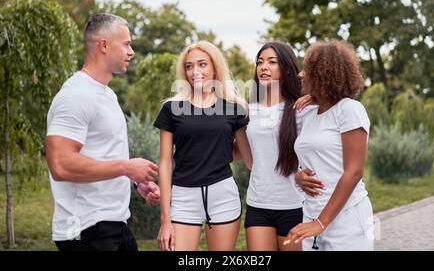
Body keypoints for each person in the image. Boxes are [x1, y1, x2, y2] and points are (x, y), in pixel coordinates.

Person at [45, 13, 160, 251]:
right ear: (104, 45)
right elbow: (61, 164)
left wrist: (133, 181)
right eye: (127, 44)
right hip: (85, 229)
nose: (132, 52)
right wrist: (126, 167)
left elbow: (101, 155)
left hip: (113, 224)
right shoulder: (75, 95)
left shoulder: (107, 95)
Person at [154, 41, 252, 251]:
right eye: (189, 66)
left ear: (215, 67)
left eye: (202, 64)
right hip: (183, 197)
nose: (194, 71)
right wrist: (165, 220)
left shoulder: (234, 108)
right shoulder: (172, 109)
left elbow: (245, 155)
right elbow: (165, 163)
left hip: (222, 195)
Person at [285, 40, 374, 251]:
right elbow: (312, 159)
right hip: (312, 214)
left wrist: (321, 223)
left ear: (325, 74)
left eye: (308, 70)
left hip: (347, 218)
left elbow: (354, 172)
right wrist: (298, 177)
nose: (300, 74)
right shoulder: (311, 114)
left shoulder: (350, 110)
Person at [235, 41, 314, 251]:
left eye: (272, 62)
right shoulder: (249, 109)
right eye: (260, 62)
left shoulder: (301, 108)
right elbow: (242, 154)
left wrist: (315, 97)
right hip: (258, 203)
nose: (264, 67)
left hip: (294, 205)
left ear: (287, 68)